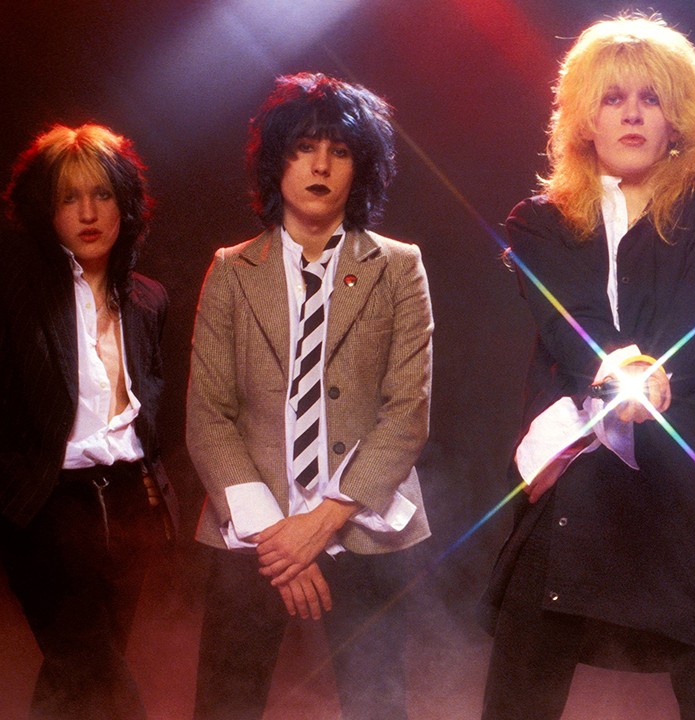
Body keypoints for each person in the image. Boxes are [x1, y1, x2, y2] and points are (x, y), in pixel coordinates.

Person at [480, 15, 695, 719]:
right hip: (575, 477)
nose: (632, 113)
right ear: (583, 117)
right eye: (613, 98)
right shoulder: (536, 221)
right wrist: (622, 370)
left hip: (687, 482)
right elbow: (568, 320)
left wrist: (661, 376)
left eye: (651, 97)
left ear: (679, 117)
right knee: (520, 683)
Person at [187, 72, 432, 720]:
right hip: (251, 534)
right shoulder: (231, 270)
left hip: (364, 529)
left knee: (379, 708)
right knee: (224, 707)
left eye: (341, 150)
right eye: (302, 147)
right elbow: (208, 415)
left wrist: (320, 522)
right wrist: (280, 542)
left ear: (363, 165)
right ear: (276, 161)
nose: (321, 164)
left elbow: (407, 412)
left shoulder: (399, 265)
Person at [0, 124, 176, 720]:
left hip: (132, 502)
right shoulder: (12, 268)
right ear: (44, 207)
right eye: (68, 197)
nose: (88, 212)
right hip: (46, 504)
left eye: (102, 194)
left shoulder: (148, 298)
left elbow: (151, 401)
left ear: (125, 202)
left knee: (79, 674)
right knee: (94, 665)